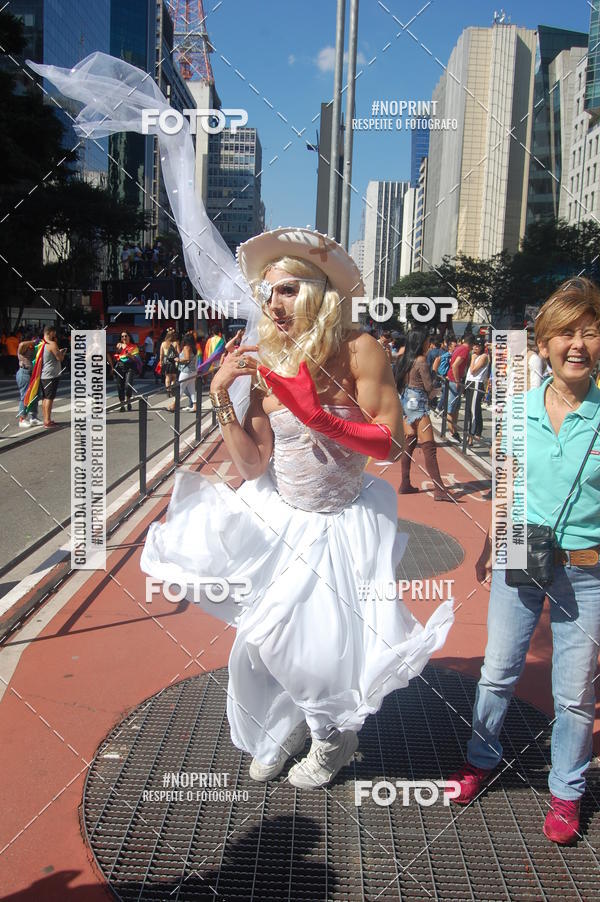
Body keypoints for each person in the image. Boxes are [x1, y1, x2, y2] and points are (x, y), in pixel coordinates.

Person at [141, 228, 454, 789]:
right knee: (263, 643)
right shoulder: (267, 359)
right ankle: (286, 728)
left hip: (339, 523)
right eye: (267, 294)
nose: (273, 304)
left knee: (311, 647)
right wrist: (221, 397)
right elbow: (254, 465)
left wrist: (318, 416)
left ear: (317, 292)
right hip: (277, 518)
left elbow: (393, 442)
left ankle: (332, 740)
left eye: (286, 290)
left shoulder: (360, 348)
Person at [447, 277, 600, 845]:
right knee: (498, 671)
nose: (577, 344)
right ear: (543, 344)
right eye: (565, 333)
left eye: (589, 331)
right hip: (521, 555)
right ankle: (479, 759)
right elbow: (507, 485)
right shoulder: (516, 411)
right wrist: (491, 540)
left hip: (589, 571)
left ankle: (566, 793)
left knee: (575, 693)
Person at [395, 330, 452, 501]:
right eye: (427, 341)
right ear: (421, 343)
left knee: (409, 443)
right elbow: (429, 386)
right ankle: (440, 490)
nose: (429, 344)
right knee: (429, 448)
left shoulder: (404, 359)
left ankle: (405, 483)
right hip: (419, 403)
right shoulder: (421, 361)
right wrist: (434, 370)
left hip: (407, 402)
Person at [447, 334, 475, 441]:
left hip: (453, 379)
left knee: (455, 407)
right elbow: (455, 365)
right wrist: (457, 380)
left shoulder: (459, 348)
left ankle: (454, 430)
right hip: (455, 381)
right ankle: (453, 432)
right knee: (452, 407)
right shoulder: (465, 350)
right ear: (472, 344)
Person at [464, 337, 490, 447]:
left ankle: (471, 436)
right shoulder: (474, 355)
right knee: (472, 409)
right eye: (474, 345)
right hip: (469, 383)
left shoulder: (483, 356)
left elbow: (473, 370)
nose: (475, 347)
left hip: (476, 383)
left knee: (473, 410)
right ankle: (477, 432)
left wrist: (473, 359)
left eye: (478, 345)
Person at [40, 325, 66, 428]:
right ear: (50, 332)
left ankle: (46, 419)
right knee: (49, 398)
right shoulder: (52, 344)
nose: (54, 335)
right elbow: (60, 358)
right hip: (51, 374)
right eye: (54, 333)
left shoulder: (41, 344)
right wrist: (63, 353)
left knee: (45, 397)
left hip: (44, 374)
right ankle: (47, 421)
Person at [15, 333, 42, 428]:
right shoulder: (23, 348)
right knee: (25, 396)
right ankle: (22, 419)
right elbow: (21, 344)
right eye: (33, 340)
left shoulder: (34, 349)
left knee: (35, 395)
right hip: (24, 372)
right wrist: (34, 342)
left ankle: (33, 417)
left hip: (33, 374)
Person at [112, 331, 140, 411]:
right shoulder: (119, 345)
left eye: (125, 336)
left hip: (130, 367)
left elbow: (136, 359)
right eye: (122, 336)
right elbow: (116, 356)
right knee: (120, 386)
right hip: (120, 367)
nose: (124, 338)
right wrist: (118, 350)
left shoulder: (134, 346)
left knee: (128, 385)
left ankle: (128, 401)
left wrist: (130, 355)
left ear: (129, 337)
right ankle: (122, 404)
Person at [171, 333, 197, 412]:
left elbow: (187, 359)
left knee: (180, 389)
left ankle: (173, 406)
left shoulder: (186, 347)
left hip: (186, 371)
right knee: (192, 389)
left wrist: (177, 360)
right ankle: (195, 406)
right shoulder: (194, 348)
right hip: (193, 371)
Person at [160, 328, 179, 401]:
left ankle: (168, 391)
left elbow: (161, 354)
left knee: (167, 378)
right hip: (173, 362)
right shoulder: (175, 343)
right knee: (174, 377)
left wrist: (161, 362)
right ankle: (173, 389)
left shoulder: (163, 343)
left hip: (165, 362)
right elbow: (178, 352)